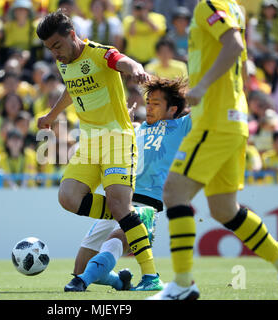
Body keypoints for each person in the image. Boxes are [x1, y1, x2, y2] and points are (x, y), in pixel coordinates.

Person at [149, 0, 278, 300]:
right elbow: (242, 64)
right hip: (233, 119)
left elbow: (233, 46)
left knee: (173, 193)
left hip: (216, 120)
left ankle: (182, 284)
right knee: (223, 209)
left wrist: (204, 87)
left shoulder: (208, 5)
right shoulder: (234, 8)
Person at [36, 10, 159, 288]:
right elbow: (71, 88)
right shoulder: (65, 62)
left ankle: (151, 276)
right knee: (68, 198)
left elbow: (122, 61)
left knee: (118, 205)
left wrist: (136, 68)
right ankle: (133, 217)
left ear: (71, 35)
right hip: (89, 143)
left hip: (117, 140)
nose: (55, 54)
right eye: (49, 49)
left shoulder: (100, 53)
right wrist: (52, 116)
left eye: (57, 45)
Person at [65, 77, 192, 292]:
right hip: (119, 199)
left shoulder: (182, 126)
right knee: (81, 266)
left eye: (156, 103)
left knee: (114, 241)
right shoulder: (137, 128)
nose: (149, 107)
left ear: (172, 109)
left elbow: (207, 106)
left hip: (147, 204)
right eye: (148, 102)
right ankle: (118, 281)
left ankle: (82, 283)